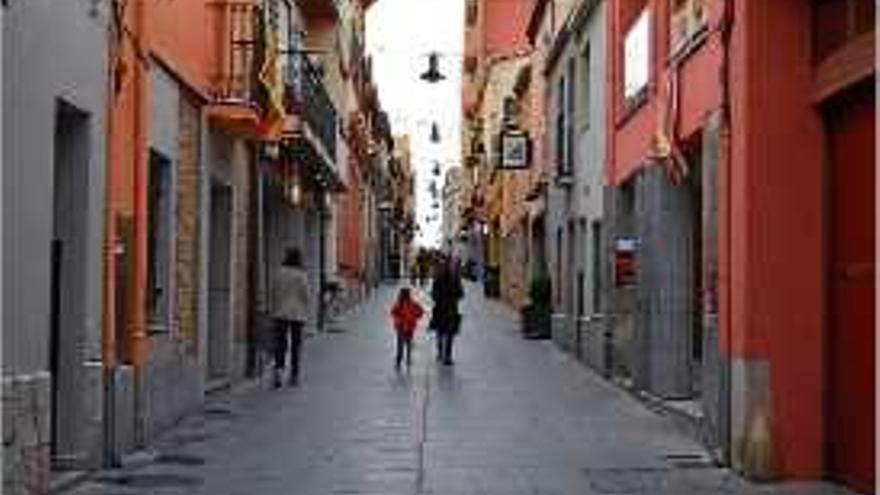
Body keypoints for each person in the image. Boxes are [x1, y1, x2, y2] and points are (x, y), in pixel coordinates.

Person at [270, 247, 312, 388]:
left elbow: (273, 291)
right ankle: (294, 375)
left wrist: (274, 307)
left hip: (280, 313)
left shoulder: (279, 272)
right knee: (295, 345)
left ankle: (278, 371)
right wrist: (307, 309)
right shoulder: (301, 275)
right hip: (297, 314)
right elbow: (306, 295)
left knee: (280, 344)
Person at [430, 255, 464, 365]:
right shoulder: (455, 279)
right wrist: (453, 297)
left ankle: (441, 352)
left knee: (441, 331)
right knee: (449, 333)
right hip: (451, 309)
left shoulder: (438, 279)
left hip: (440, 309)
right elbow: (460, 294)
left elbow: (434, 295)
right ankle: (447, 356)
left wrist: (440, 298)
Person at [390, 287, 424, 369]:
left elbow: (393, 312)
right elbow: (420, 311)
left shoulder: (400, 303)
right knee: (406, 344)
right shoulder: (410, 303)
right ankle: (406, 359)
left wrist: (399, 320)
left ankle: (400, 360)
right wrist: (415, 316)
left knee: (401, 345)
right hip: (406, 327)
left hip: (403, 327)